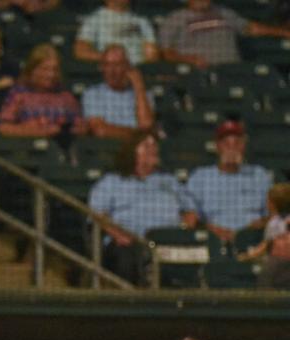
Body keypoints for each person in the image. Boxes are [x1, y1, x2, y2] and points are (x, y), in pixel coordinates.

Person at [88, 132, 199, 284]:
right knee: (125, 257)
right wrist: (118, 234)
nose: (153, 149)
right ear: (132, 151)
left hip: (167, 241)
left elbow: (190, 212)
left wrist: (182, 230)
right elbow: (98, 215)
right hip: (129, 242)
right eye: (146, 146)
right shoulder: (112, 182)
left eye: (154, 145)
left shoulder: (169, 181)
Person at [186, 120, 272, 242]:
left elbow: (274, 215)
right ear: (217, 146)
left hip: (253, 239)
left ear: (244, 146)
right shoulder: (200, 177)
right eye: (226, 143)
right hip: (212, 241)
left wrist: (259, 225)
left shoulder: (259, 175)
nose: (232, 148)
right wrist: (212, 230)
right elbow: (189, 217)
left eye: (237, 143)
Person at [159, 0, 290, 68]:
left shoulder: (223, 12)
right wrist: (188, 60)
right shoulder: (175, 19)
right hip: (200, 72)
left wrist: (283, 33)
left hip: (232, 69)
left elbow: (250, 28)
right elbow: (166, 52)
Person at [0, 44, 86, 139]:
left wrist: (74, 129)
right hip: (29, 148)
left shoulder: (66, 97)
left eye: (55, 69)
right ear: (32, 70)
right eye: (45, 69)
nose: (51, 74)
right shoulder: (19, 94)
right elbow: (3, 127)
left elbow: (81, 128)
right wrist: (31, 131)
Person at [81, 45, 154, 140]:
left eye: (117, 65)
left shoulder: (144, 94)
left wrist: (138, 87)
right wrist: (136, 135)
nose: (112, 71)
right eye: (107, 65)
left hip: (137, 151)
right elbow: (100, 130)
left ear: (127, 67)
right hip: (106, 148)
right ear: (102, 67)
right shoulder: (92, 94)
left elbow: (146, 125)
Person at [74, 0, 158, 66]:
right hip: (109, 71)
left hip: (137, 70)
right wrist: (111, 59)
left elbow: (152, 55)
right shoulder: (94, 19)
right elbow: (81, 51)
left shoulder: (142, 21)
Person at [238, 183, 290, 289]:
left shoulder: (274, 223)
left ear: (273, 203)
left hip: (278, 265)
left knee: (264, 290)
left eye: (268, 200)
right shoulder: (275, 221)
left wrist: (247, 256)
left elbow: (266, 246)